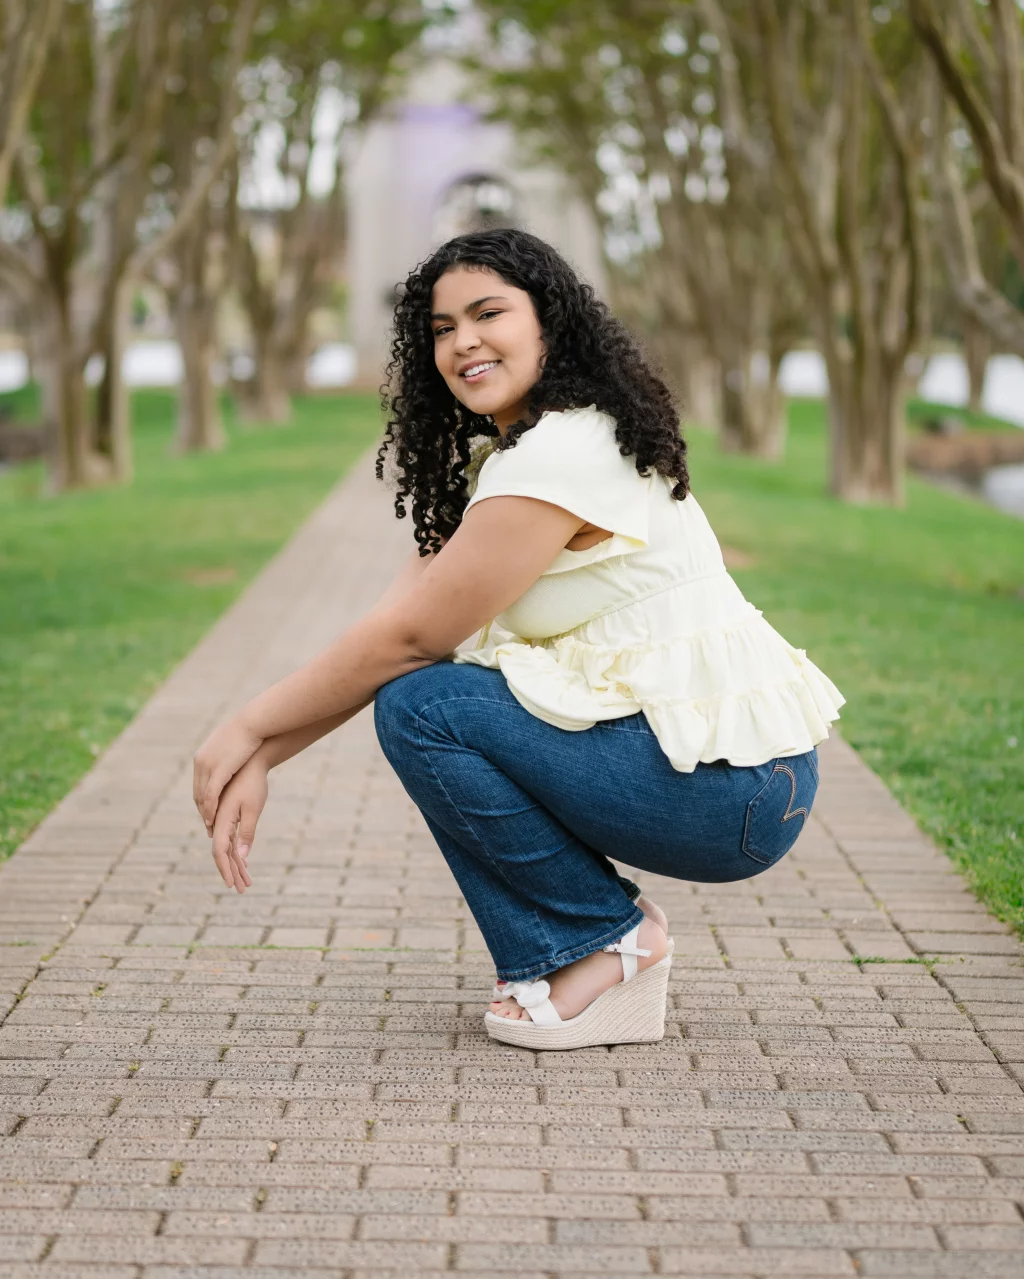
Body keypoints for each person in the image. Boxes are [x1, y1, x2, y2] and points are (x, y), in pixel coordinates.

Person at [192, 228, 844, 1052]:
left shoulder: (565, 452)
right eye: (441, 327)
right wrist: (262, 751)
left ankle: (604, 943)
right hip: (738, 779)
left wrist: (247, 728)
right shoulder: (526, 451)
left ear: (551, 324)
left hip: (732, 788)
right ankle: (590, 950)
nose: (462, 340)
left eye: (488, 312)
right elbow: (392, 631)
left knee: (427, 709)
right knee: (421, 696)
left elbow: (408, 644)